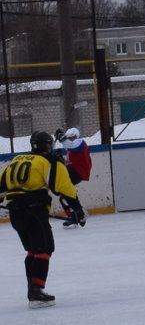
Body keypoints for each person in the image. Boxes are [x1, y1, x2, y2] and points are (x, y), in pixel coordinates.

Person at [0, 130, 86, 308]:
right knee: (44, 248)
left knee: (33, 250)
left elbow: (2, 186)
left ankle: (33, 289)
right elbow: (64, 187)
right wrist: (76, 209)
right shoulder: (49, 161)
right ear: (48, 145)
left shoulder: (17, 159)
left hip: (16, 213)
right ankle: (36, 292)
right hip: (34, 210)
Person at [54, 127, 91, 229]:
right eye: (69, 137)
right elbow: (68, 161)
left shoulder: (80, 142)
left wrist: (61, 137)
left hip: (79, 171)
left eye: (73, 137)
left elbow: (70, 145)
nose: (71, 139)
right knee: (63, 196)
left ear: (77, 136)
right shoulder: (70, 149)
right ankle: (73, 218)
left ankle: (81, 212)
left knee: (65, 190)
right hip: (73, 171)